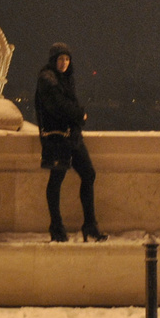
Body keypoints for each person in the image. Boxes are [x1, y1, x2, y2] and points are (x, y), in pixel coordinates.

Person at [35, 43, 105, 242]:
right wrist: (80, 115)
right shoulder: (47, 79)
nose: (64, 63)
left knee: (88, 174)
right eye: (60, 59)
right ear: (53, 61)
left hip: (71, 138)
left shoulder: (65, 79)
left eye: (66, 59)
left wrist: (76, 116)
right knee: (56, 182)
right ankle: (57, 228)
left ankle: (89, 225)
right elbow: (58, 106)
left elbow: (66, 105)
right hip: (57, 139)